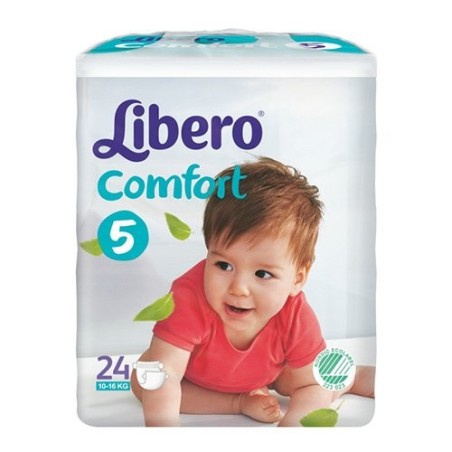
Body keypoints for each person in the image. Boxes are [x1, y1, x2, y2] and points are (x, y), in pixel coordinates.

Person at [131, 157, 375, 426]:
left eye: (262, 274)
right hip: (193, 376)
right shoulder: (187, 297)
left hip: (269, 373)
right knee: (146, 378)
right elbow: (164, 372)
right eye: (224, 265)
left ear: (297, 278)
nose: (238, 288)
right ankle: (238, 402)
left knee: (315, 379)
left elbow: (312, 386)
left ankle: (352, 376)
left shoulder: (295, 315)